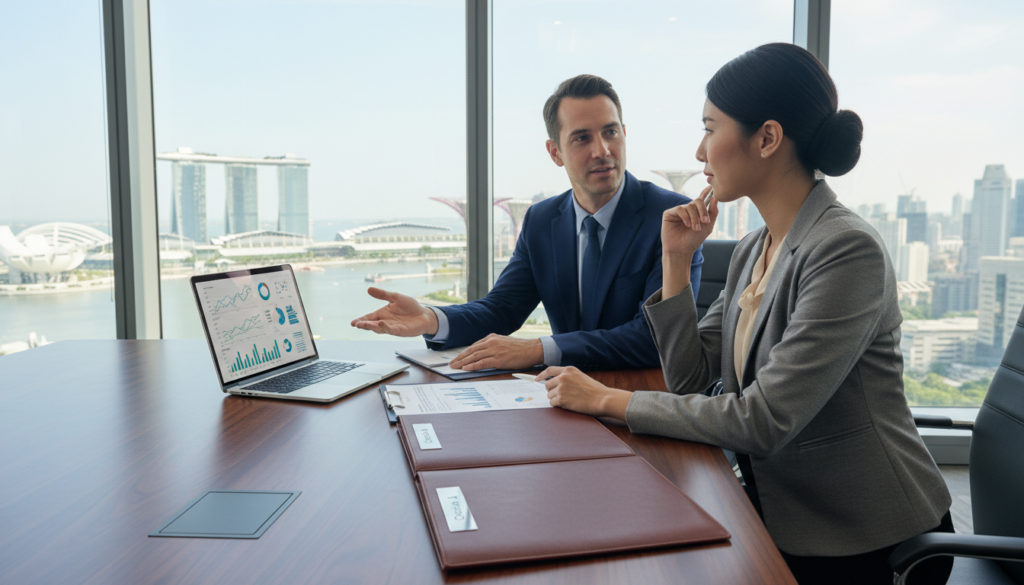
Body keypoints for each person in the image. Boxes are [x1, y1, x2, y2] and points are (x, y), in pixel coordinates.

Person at [534, 44, 953, 584]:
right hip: (778, 513)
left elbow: (764, 419)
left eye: (710, 128)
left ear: (767, 138)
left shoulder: (846, 251)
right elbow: (689, 379)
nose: (700, 150)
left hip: (865, 539)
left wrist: (607, 400)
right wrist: (676, 262)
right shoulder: (756, 248)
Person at [351, 74, 704, 371]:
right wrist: (431, 318)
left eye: (611, 132)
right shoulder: (541, 219)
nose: (602, 150)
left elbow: (654, 338)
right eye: (582, 137)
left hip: (641, 396)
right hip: (563, 399)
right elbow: (502, 308)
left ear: (624, 134)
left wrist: (538, 349)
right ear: (555, 152)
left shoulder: (670, 218)